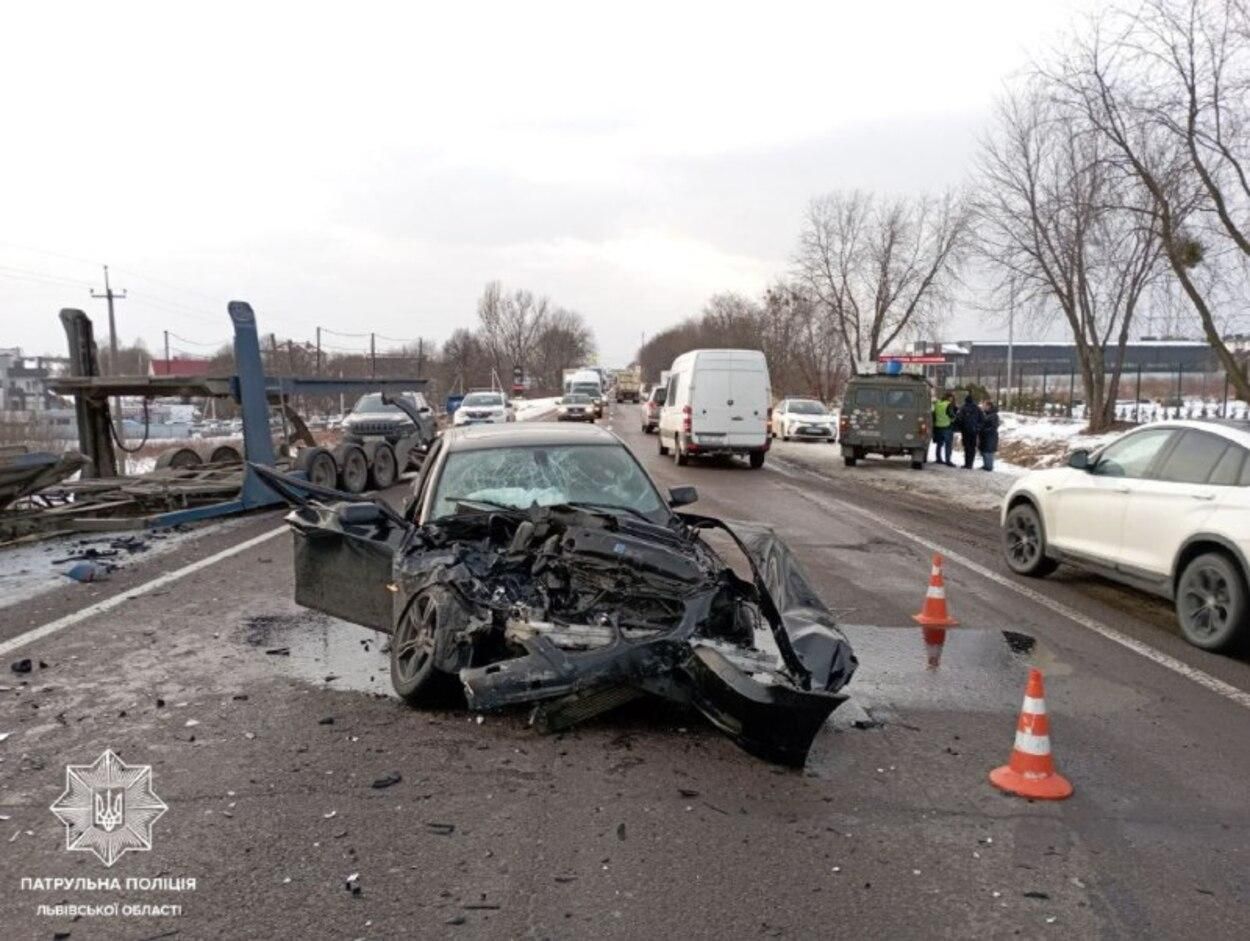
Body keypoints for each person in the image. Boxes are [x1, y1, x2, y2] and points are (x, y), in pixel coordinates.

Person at [956, 393, 983, 469]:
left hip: (965, 431)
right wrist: (978, 428)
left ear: (965, 400)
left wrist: (960, 428)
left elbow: (959, 419)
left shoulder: (963, 408)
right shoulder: (977, 408)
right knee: (972, 448)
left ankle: (967, 463)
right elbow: (982, 419)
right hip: (974, 431)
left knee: (967, 447)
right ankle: (970, 464)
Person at [932, 391, 957, 466]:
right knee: (948, 444)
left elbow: (933, 414)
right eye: (952, 398)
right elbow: (951, 415)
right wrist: (954, 419)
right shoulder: (948, 405)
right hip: (947, 427)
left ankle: (938, 458)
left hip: (938, 427)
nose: (952, 400)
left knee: (939, 444)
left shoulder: (937, 404)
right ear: (949, 398)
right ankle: (948, 460)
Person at [978, 399, 1000, 471]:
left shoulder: (993, 415)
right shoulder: (986, 414)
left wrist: (984, 430)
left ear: (989, 406)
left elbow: (994, 427)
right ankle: (986, 465)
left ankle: (989, 467)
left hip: (990, 437)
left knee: (988, 452)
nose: (983, 407)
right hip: (984, 436)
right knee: (984, 451)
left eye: (984, 405)